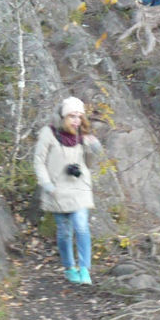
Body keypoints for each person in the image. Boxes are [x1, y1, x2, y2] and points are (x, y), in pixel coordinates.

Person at [33, 97, 102, 284]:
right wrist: (46, 184)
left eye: (79, 116)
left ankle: (85, 270)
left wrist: (92, 148)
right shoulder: (49, 133)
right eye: (72, 116)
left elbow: (88, 164)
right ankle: (69, 267)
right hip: (57, 190)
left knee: (81, 226)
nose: (76, 120)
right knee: (64, 231)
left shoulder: (83, 134)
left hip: (79, 188)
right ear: (63, 116)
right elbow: (39, 160)